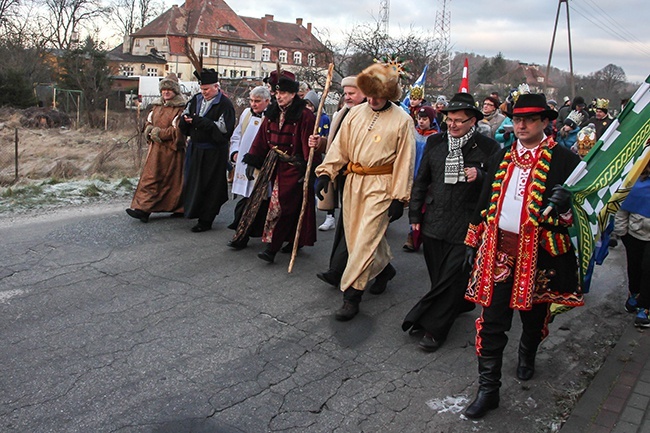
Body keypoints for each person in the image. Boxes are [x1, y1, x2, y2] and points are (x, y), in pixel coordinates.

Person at [462, 92, 583, 419]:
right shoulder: (501, 156)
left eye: (529, 119)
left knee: (533, 315)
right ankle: (488, 389)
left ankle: (527, 351)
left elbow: (581, 217)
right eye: (517, 119)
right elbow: (485, 200)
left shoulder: (566, 161)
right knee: (491, 321)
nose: (521, 125)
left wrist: (565, 205)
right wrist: (472, 243)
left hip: (541, 254)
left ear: (545, 121)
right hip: (499, 250)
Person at [314, 61, 415, 321]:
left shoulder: (403, 121)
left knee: (365, 238)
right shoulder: (356, 113)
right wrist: (327, 172)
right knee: (358, 236)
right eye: (369, 95)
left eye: (378, 95)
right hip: (353, 183)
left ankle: (351, 295)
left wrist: (399, 197)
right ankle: (384, 270)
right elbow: (340, 147)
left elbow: (406, 160)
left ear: (389, 94)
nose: (372, 100)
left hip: (381, 185)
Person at [401, 93, 499, 351]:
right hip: (434, 220)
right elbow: (421, 181)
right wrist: (414, 216)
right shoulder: (436, 142)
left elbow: (496, 185)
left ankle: (435, 329)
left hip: (466, 223)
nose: (453, 124)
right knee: (438, 277)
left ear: (473, 121)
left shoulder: (488, 148)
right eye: (450, 119)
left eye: (459, 120)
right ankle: (455, 305)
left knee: (452, 277)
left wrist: (480, 175)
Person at [237, 71, 318, 263]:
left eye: (284, 93)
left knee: (281, 207)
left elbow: (309, 145)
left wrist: (308, 169)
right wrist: (253, 159)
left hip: (294, 167)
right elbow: (262, 139)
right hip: (274, 166)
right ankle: (292, 241)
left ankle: (271, 248)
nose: (279, 96)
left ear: (293, 94)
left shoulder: (304, 116)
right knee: (288, 206)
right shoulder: (272, 113)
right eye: (277, 93)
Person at [312, 76, 367, 286]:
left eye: (352, 93)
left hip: (364, 180)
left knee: (357, 228)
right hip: (344, 176)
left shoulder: (369, 116)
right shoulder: (342, 113)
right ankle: (382, 271)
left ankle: (337, 270)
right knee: (349, 225)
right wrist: (321, 143)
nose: (347, 97)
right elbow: (337, 145)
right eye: (345, 94)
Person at [179, 68, 236, 232]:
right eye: (202, 89)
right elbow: (185, 115)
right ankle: (193, 211)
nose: (203, 92)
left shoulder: (225, 104)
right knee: (193, 181)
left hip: (213, 152)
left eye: (206, 89)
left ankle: (206, 219)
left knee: (210, 185)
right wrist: (186, 121)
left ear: (216, 87)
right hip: (196, 149)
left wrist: (200, 122)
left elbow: (224, 129)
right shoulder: (195, 99)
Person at [126, 74, 187, 223]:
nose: (166, 92)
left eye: (169, 89)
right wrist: (149, 131)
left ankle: (178, 207)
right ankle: (142, 209)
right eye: (164, 89)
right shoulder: (156, 107)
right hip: (155, 150)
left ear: (175, 91)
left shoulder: (180, 108)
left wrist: (158, 133)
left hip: (171, 152)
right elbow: (148, 123)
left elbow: (178, 131)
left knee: (172, 181)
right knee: (150, 178)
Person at [226, 86, 272, 249]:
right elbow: (237, 135)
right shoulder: (246, 114)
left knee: (257, 200)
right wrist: (235, 152)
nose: (254, 104)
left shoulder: (272, 117)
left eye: (257, 101)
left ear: (267, 101)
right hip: (243, 163)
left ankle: (245, 232)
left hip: (261, 165)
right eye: (251, 101)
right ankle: (241, 230)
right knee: (246, 198)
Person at [614, 161, 650, 327]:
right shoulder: (635, 181)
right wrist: (622, 233)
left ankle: (646, 305)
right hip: (634, 234)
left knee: (648, 268)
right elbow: (622, 208)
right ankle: (634, 293)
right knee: (634, 266)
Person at [403, 105, 440, 252]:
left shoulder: (436, 137)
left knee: (424, 207)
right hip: (412, 174)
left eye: (425, 119)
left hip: (427, 178)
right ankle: (413, 235)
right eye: (419, 118)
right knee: (414, 205)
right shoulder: (413, 133)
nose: (421, 121)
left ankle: (418, 235)